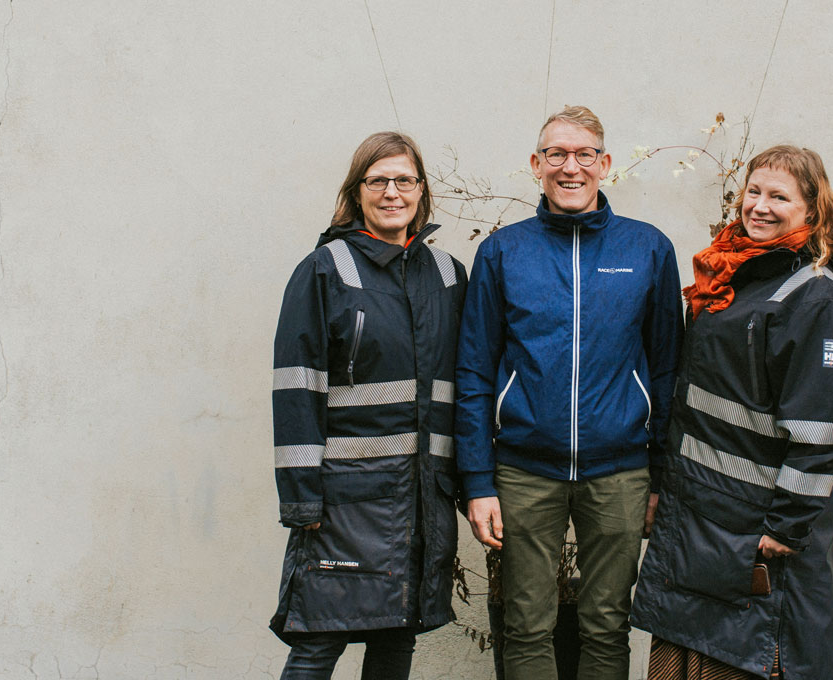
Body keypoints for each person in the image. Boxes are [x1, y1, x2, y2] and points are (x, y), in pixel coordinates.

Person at [454, 105, 684, 680]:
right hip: (525, 471)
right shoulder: (504, 252)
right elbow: (475, 374)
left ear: (605, 164)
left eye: (584, 155)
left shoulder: (647, 249)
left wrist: (659, 478)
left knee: (607, 627)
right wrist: (479, 481)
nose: (570, 167)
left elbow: (666, 372)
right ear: (536, 165)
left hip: (621, 472)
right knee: (527, 625)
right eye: (556, 154)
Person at [630, 145, 833, 680]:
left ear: (813, 209)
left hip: (754, 533)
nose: (759, 206)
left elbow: (822, 432)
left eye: (779, 196)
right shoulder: (738, 276)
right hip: (700, 517)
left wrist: (785, 527)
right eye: (753, 192)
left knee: (749, 657)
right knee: (685, 659)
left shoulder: (816, 298)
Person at [268, 132, 467, 680]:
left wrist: (469, 485)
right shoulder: (324, 270)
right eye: (377, 180)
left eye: (404, 179)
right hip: (344, 501)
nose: (391, 192)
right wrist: (302, 499)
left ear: (421, 191)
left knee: (395, 642)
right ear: (357, 193)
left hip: (421, 497)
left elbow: (463, 390)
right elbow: (296, 387)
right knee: (317, 641)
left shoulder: (449, 274)